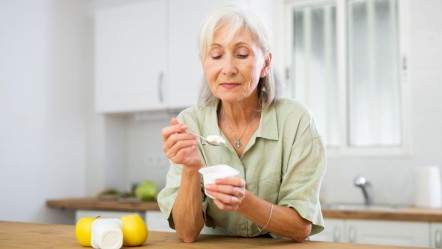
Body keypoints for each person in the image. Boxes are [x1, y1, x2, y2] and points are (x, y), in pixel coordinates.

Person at [157, 6, 326, 243]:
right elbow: (186, 233)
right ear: (204, 64)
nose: (228, 69)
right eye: (216, 56)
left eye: (242, 54)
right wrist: (190, 169)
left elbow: (300, 228)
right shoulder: (190, 124)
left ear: (266, 63)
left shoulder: (296, 121)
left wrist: (244, 202)